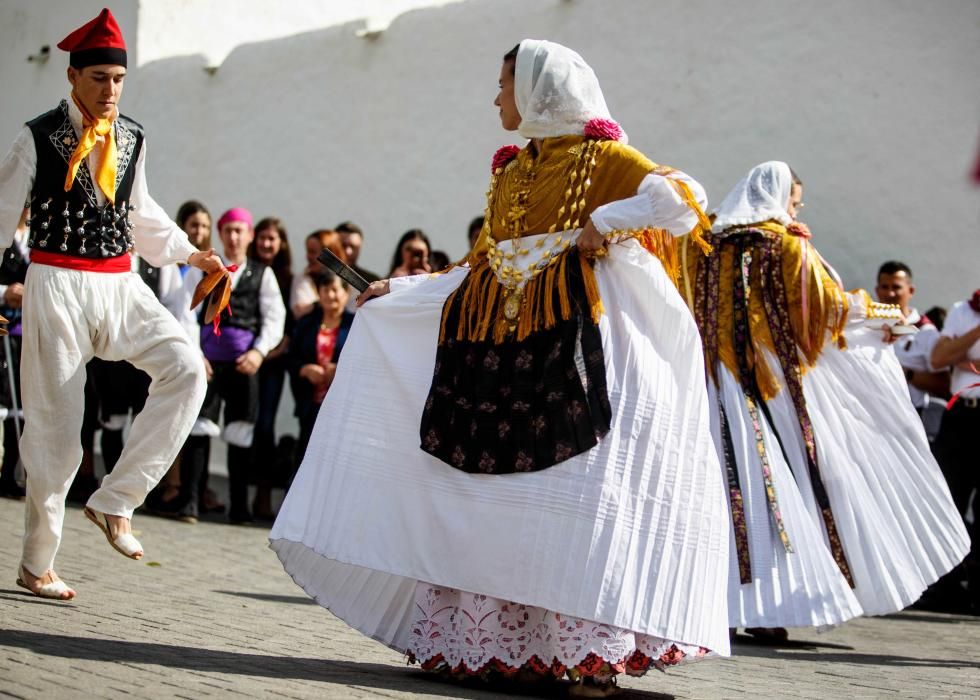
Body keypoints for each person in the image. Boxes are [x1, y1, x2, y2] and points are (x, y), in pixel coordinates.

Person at [271, 40, 731, 696]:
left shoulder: (603, 159)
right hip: (486, 360)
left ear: (541, 89)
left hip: (571, 354)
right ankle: (494, 651)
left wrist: (607, 221)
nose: (495, 97)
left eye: (504, 83)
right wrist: (396, 293)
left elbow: (684, 201)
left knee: (571, 498)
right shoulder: (514, 171)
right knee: (490, 501)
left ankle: (586, 660)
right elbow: (478, 267)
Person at [679, 162, 969, 636]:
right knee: (782, 493)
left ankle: (723, 607)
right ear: (777, 198)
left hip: (711, 384)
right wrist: (884, 319)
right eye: (793, 201)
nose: (797, 210)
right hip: (770, 390)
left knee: (724, 491)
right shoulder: (786, 245)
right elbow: (827, 308)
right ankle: (770, 610)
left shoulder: (706, 248)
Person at [0, 8, 223, 599]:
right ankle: (37, 562)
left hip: (122, 282)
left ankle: (116, 500)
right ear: (72, 77)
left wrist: (192, 253)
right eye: (99, 77)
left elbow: (142, 213)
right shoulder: (36, 135)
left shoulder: (133, 136)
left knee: (186, 369)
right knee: (56, 432)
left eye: (118, 79)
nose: (110, 90)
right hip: (57, 285)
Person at [178, 207, 285, 524]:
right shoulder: (206, 268)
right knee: (198, 431)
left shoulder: (262, 274)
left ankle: (239, 507)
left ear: (249, 236)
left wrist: (259, 352)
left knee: (241, 435)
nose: (234, 237)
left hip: (243, 368)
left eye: (240, 231)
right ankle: (191, 502)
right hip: (208, 365)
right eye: (229, 231)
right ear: (221, 234)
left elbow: (275, 317)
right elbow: (186, 312)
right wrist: (197, 354)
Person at [931, 289, 980, 610]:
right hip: (961, 414)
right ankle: (944, 587)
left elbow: (955, 356)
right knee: (949, 498)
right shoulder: (963, 310)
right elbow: (939, 358)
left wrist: (964, 357)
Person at [247, 216, 293, 520]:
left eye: (272, 238)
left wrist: (275, 348)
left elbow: (292, 325)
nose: (266, 243)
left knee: (264, 427)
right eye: (262, 237)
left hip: (273, 365)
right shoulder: (247, 273)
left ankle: (262, 496)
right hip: (247, 361)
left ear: (281, 244)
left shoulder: (290, 279)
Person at [875, 261, 948, 440]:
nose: (890, 293)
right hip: (872, 416)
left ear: (911, 291)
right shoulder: (868, 325)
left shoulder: (925, 332)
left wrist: (905, 374)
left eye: (896, 287)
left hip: (909, 419)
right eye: (884, 287)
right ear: (877, 290)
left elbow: (944, 386)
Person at [288, 270, 353, 465]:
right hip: (310, 403)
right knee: (305, 456)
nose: (330, 295)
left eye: (335, 290)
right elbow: (291, 358)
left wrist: (341, 372)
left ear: (346, 293)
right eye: (325, 289)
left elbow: (364, 362)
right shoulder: (307, 324)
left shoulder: (355, 326)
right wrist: (304, 369)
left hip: (341, 406)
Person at [0, 208, 28, 500]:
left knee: (20, 405)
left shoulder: (37, 238)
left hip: (26, 335)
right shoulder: (3, 237)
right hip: (2, 328)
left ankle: (10, 473)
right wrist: (5, 291)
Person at [290, 229, 344, 319]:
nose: (308, 257)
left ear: (329, 256)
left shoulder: (347, 282)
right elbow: (299, 311)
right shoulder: (302, 278)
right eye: (308, 251)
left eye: (313, 252)